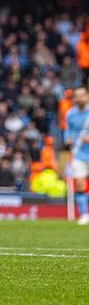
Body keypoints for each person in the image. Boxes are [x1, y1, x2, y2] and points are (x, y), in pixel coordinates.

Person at [63, 86, 89, 225]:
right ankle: (85, 214)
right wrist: (67, 139)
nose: (79, 98)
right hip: (78, 153)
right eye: (77, 96)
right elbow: (67, 131)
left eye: (82, 95)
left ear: (87, 96)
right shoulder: (70, 114)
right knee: (80, 184)